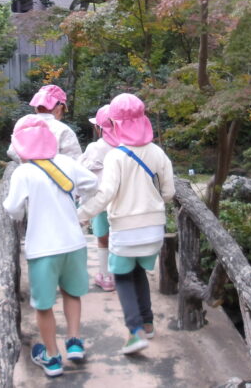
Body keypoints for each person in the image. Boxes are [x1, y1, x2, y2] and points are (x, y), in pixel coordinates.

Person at [76, 93, 175, 355]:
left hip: (126, 230)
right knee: (137, 272)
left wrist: (81, 214)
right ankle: (148, 323)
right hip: (154, 230)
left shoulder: (116, 156)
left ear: (116, 124)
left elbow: (105, 195)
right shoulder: (158, 153)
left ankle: (135, 331)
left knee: (121, 276)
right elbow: (168, 193)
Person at [3, 114, 98, 377]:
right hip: (74, 244)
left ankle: (53, 357)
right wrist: (76, 197)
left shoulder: (23, 172)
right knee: (72, 293)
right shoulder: (66, 162)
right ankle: (74, 342)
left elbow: (13, 209)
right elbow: (93, 183)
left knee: (43, 306)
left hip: (43, 249)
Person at [78, 104, 119, 292]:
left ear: (98, 127)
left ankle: (107, 276)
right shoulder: (129, 147)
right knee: (119, 239)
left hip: (100, 202)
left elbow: (82, 171)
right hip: (121, 202)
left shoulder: (95, 147)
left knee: (103, 239)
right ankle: (122, 275)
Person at [7, 84, 82, 162]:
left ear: (36, 107)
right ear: (59, 109)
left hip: (25, 169)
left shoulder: (24, 123)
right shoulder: (63, 130)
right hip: (54, 169)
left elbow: (11, 151)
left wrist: (27, 162)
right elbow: (74, 160)